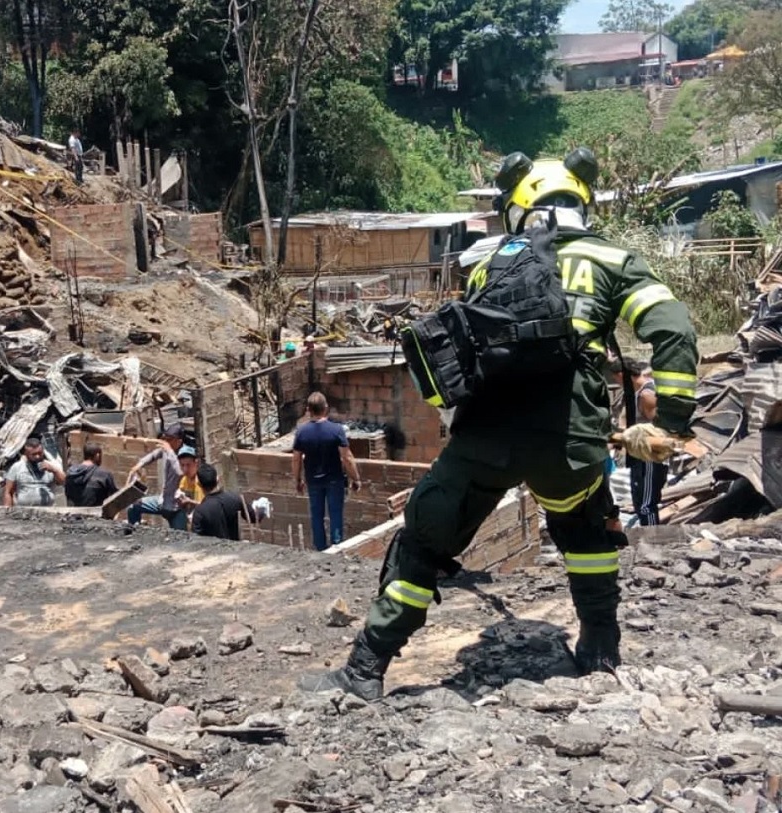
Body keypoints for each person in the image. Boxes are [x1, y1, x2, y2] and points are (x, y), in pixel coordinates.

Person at [299, 149, 697, 701]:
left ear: (518, 208)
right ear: (582, 201)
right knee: (586, 534)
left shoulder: (494, 263)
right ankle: (600, 648)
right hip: (569, 444)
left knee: (422, 542)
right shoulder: (614, 260)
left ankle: (365, 668)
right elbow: (673, 328)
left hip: (484, 438)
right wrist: (671, 424)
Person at [292, 392, 362, 551]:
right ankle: (337, 547)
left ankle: (320, 549)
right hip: (334, 480)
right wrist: (355, 478)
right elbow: (347, 457)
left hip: (313, 481)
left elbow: (296, 459)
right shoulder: (336, 430)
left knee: (316, 515)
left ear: (308, 409)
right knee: (336, 513)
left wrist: (297, 480)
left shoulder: (302, 432)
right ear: (326, 408)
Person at [626, 361, 667, 526]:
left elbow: (655, 426)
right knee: (640, 500)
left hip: (648, 454)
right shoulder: (639, 393)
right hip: (639, 452)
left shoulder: (646, 394)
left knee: (646, 503)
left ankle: (652, 539)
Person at [126, 423, 188, 530]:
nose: (167, 442)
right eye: (166, 438)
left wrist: (170, 451)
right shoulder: (166, 449)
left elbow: (180, 472)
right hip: (163, 501)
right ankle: (134, 532)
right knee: (133, 506)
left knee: (180, 537)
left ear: (179, 441)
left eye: (170, 439)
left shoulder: (186, 454)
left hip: (177, 507)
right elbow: (154, 455)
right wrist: (139, 465)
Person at [191, 463, 269, 541]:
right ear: (217, 479)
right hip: (234, 550)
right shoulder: (235, 498)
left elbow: (196, 540)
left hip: (213, 551)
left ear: (199, 484)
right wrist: (263, 508)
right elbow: (254, 517)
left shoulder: (200, 512)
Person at [4, 436, 65, 507]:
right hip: (23, 511)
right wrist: (7, 512)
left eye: (40, 453)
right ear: (26, 454)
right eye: (33, 454)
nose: (37, 457)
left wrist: (54, 470)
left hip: (47, 510)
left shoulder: (51, 465)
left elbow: (64, 482)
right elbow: (8, 492)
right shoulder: (17, 467)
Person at [65, 441, 118, 508]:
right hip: (96, 516)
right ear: (97, 455)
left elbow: (68, 496)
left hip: (73, 515)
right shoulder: (104, 475)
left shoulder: (70, 473)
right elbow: (115, 498)